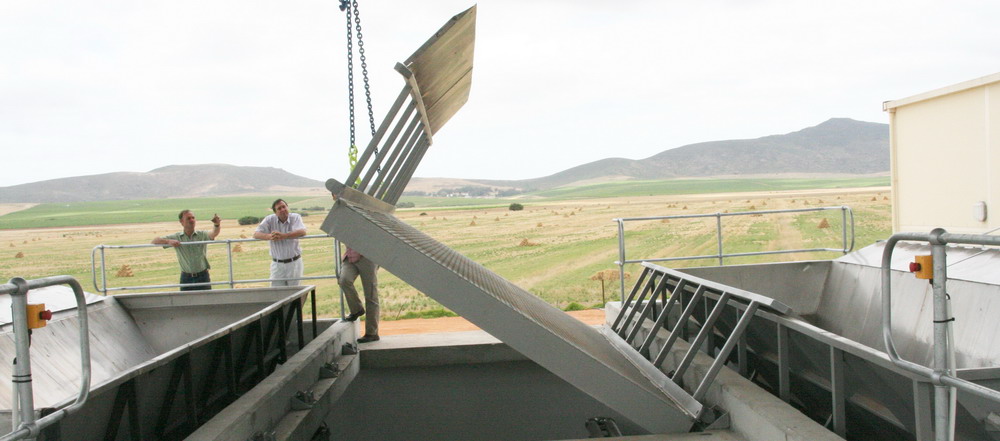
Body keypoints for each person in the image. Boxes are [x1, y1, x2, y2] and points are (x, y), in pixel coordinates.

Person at [152, 210, 221, 291]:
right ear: (181, 222)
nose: (192, 220)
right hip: (186, 277)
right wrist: (168, 241)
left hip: (203, 276)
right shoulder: (177, 237)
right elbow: (155, 241)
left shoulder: (202, 234)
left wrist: (217, 224)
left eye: (193, 218)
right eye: (188, 218)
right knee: (185, 301)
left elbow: (214, 233)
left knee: (206, 300)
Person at [253, 199, 307, 286]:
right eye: (279, 208)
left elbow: (303, 232)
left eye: (284, 207)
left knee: (295, 292)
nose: (282, 210)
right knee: (275, 292)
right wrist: (270, 236)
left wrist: (284, 236)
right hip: (277, 264)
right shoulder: (269, 219)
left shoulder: (296, 217)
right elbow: (256, 234)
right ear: (275, 212)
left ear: (287, 207)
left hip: (294, 263)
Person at [340, 246, 380, 343]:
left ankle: (372, 333)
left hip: (368, 257)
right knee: (344, 281)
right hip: (350, 256)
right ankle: (357, 310)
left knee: (370, 295)